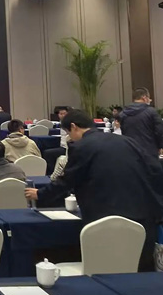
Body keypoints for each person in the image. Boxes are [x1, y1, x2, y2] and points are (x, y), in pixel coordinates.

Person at [26, 109, 163, 271]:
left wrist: (40, 194)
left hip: (104, 216)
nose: (70, 138)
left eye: (69, 133)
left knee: (105, 268)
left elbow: (67, 181)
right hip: (142, 214)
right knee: (140, 269)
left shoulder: (81, 146)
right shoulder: (127, 141)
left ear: (74, 127)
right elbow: (155, 170)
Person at [119, 87, 163, 159]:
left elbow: (123, 131)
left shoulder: (123, 113)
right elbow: (159, 131)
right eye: (149, 98)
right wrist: (160, 146)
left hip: (130, 150)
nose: (150, 100)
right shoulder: (151, 112)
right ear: (144, 97)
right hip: (149, 151)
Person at [44, 107, 70, 174]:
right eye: (61, 114)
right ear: (58, 115)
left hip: (66, 148)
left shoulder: (69, 124)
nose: (63, 115)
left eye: (64, 113)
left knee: (47, 153)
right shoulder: (62, 123)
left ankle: (51, 173)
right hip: (62, 146)